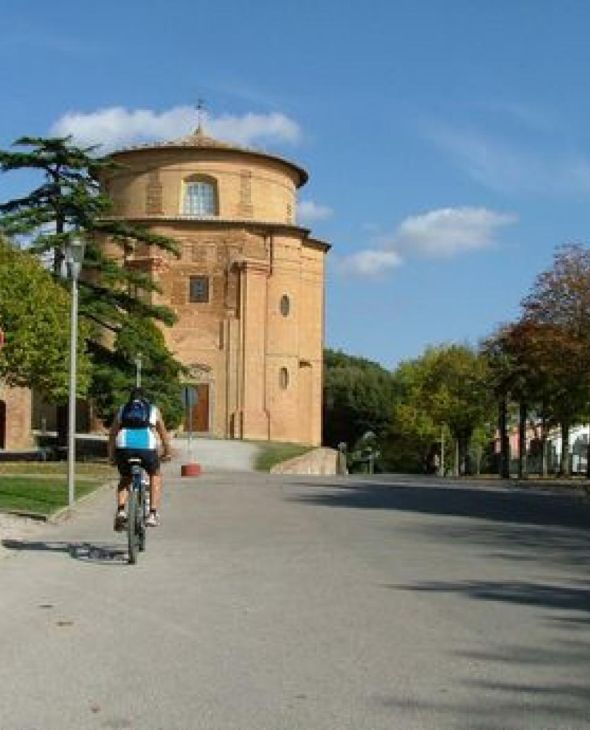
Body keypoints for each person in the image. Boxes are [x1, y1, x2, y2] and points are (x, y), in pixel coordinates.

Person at [108, 387, 173, 530]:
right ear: (145, 399)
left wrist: (111, 455)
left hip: (124, 447)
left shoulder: (123, 409)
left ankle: (121, 511)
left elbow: (112, 433)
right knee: (155, 475)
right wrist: (167, 452)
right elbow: (163, 434)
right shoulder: (153, 410)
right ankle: (152, 514)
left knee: (125, 478)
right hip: (147, 448)